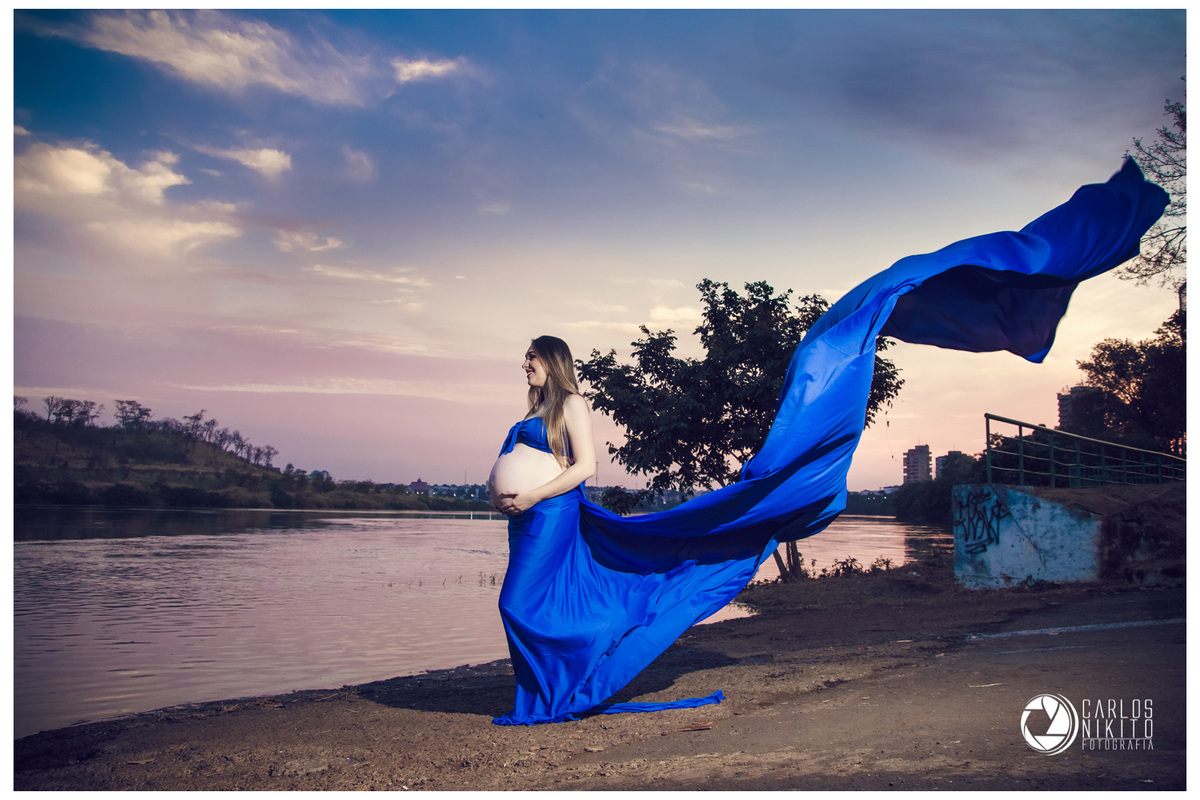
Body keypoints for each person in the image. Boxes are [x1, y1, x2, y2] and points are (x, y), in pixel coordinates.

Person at [487, 158, 1169, 726]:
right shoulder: (539, 408)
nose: (524, 367)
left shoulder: (572, 402)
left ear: (553, 360)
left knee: (521, 604)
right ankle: (549, 690)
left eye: (531, 359)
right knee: (534, 604)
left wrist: (532, 495)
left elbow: (584, 466)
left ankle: (559, 688)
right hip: (530, 519)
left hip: (547, 512)